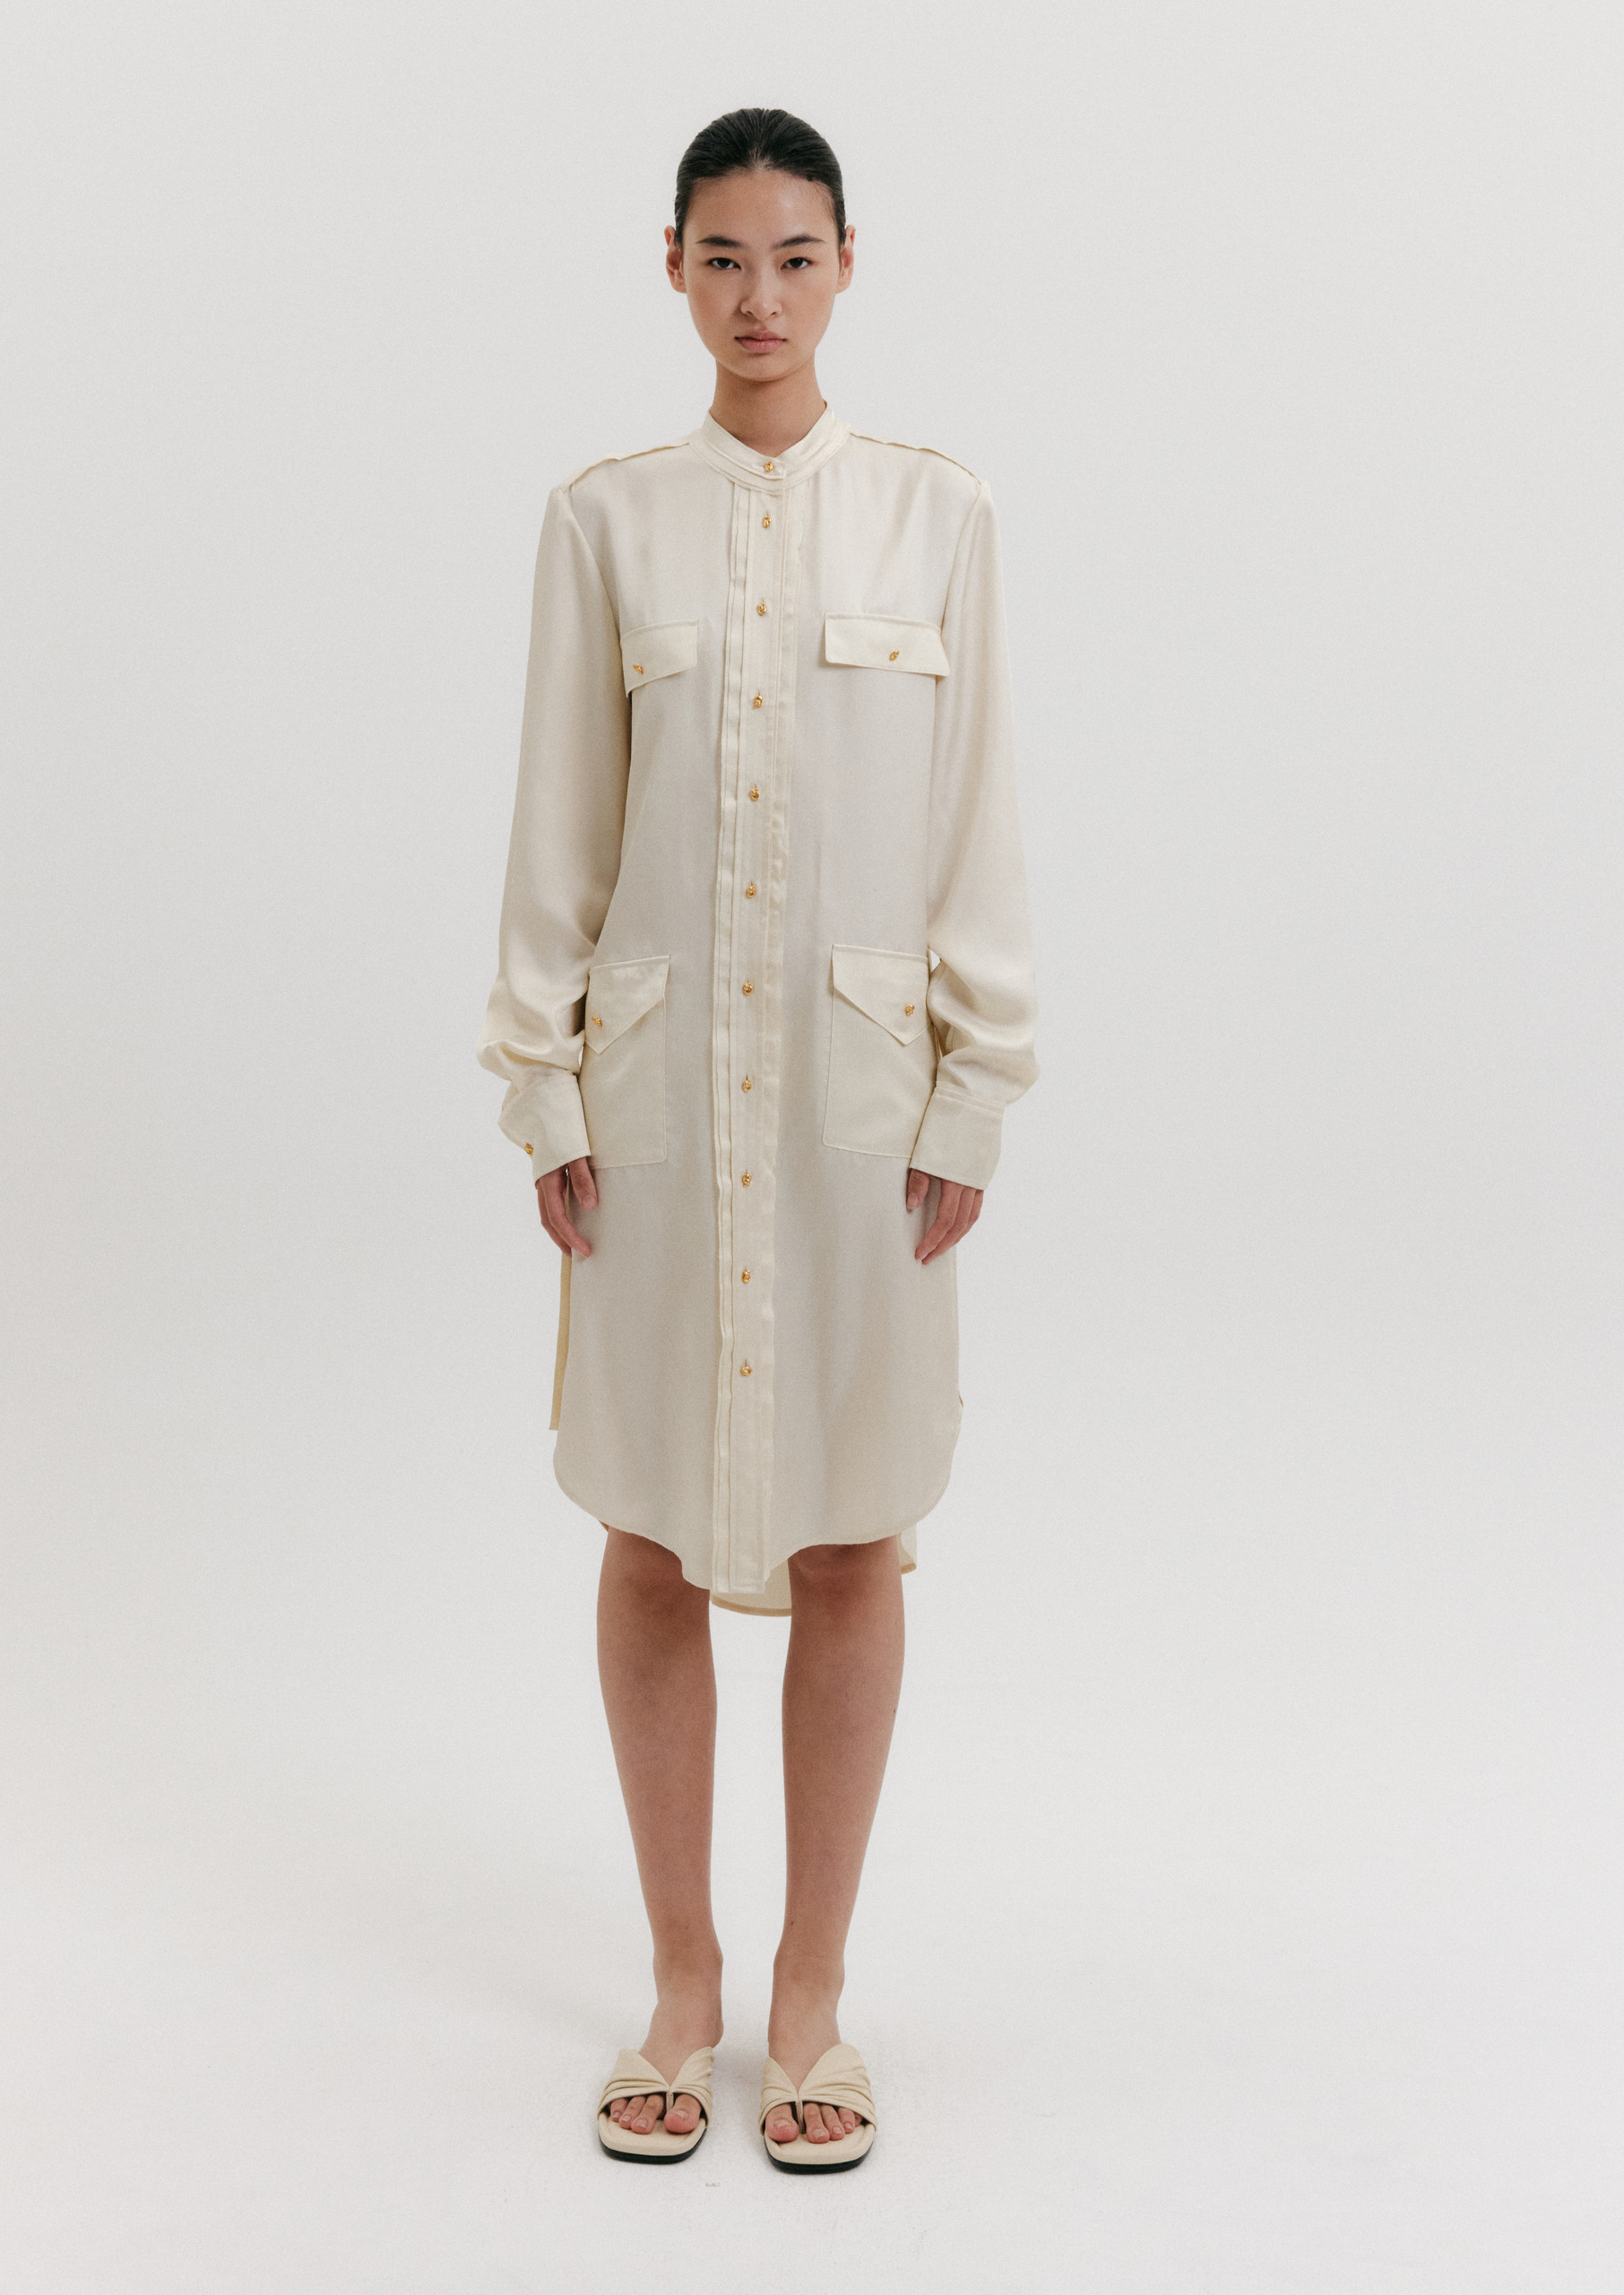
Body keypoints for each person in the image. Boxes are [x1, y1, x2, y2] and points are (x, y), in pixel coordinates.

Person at [479, 108, 1038, 2172]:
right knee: (646, 1525)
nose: (760, 297)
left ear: (847, 263)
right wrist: (542, 1080)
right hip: (651, 1109)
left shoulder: (940, 515)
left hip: (860, 1113)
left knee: (854, 1528)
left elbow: (976, 820)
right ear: (674, 267)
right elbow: (555, 827)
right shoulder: (606, 522)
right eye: (724, 257)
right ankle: (681, 1978)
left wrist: (976, 1084)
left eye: (795, 256)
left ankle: (812, 1992)